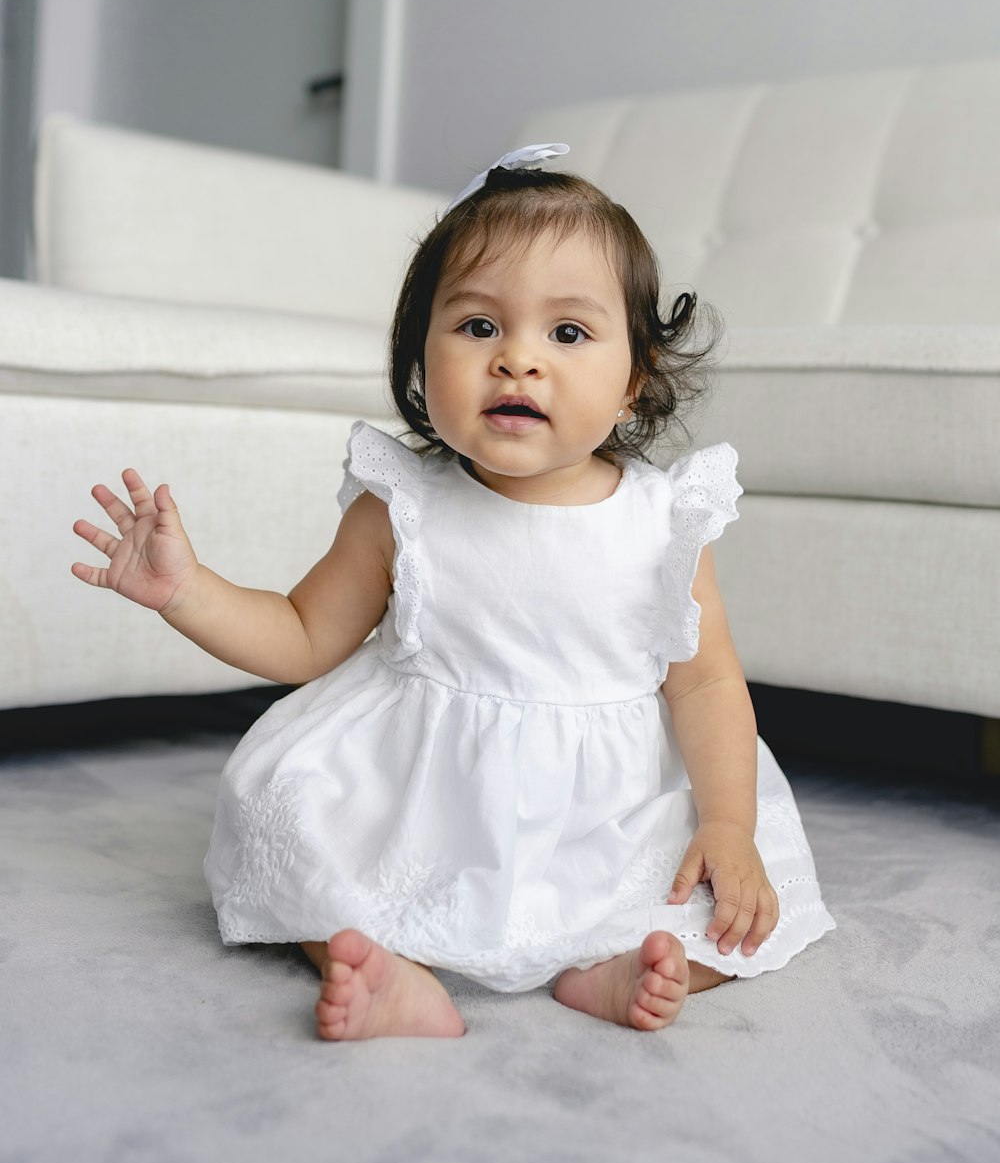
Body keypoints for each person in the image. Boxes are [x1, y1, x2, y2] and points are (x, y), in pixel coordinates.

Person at [71, 144, 835, 1042]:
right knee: (290, 829)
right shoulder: (406, 506)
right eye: (478, 327)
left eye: (568, 333)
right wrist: (187, 590)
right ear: (419, 359)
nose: (518, 360)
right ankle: (391, 973)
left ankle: (616, 965)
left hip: (609, 803)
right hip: (421, 787)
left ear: (633, 381)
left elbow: (705, 683)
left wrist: (729, 822)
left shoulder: (663, 520)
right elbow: (302, 634)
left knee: (736, 896)